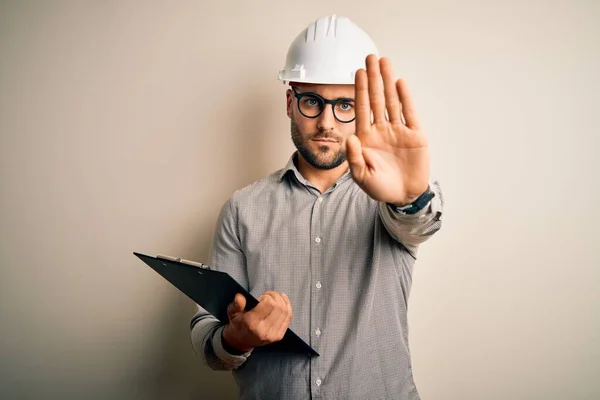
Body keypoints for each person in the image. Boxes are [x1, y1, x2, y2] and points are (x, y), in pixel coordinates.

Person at [190, 14, 444, 400]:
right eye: (313, 101)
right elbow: (207, 332)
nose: (327, 122)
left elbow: (418, 226)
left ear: (364, 110)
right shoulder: (242, 209)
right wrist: (235, 338)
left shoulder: (389, 200)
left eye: (345, 105)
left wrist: (409, 198)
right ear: (290, 102)